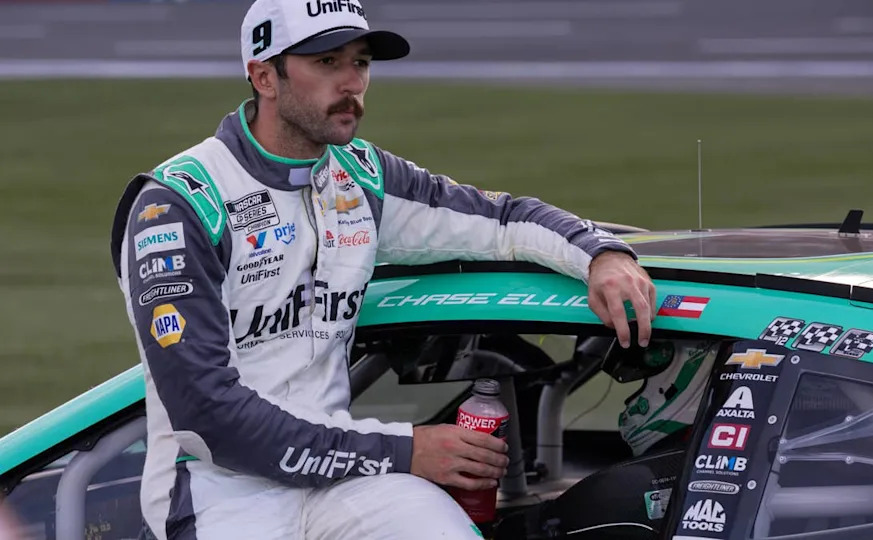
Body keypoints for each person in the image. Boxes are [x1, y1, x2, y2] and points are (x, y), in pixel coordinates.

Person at [108, 0, 656, 537]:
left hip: (344, 480)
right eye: (327, 62)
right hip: (220, 493)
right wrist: (407, 449)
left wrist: (602, 255)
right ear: (264, 76)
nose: (351, 83)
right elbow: (210, 419)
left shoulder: (360, 175)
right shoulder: (178, 204)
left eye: (361, 62)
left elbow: (504, 219)